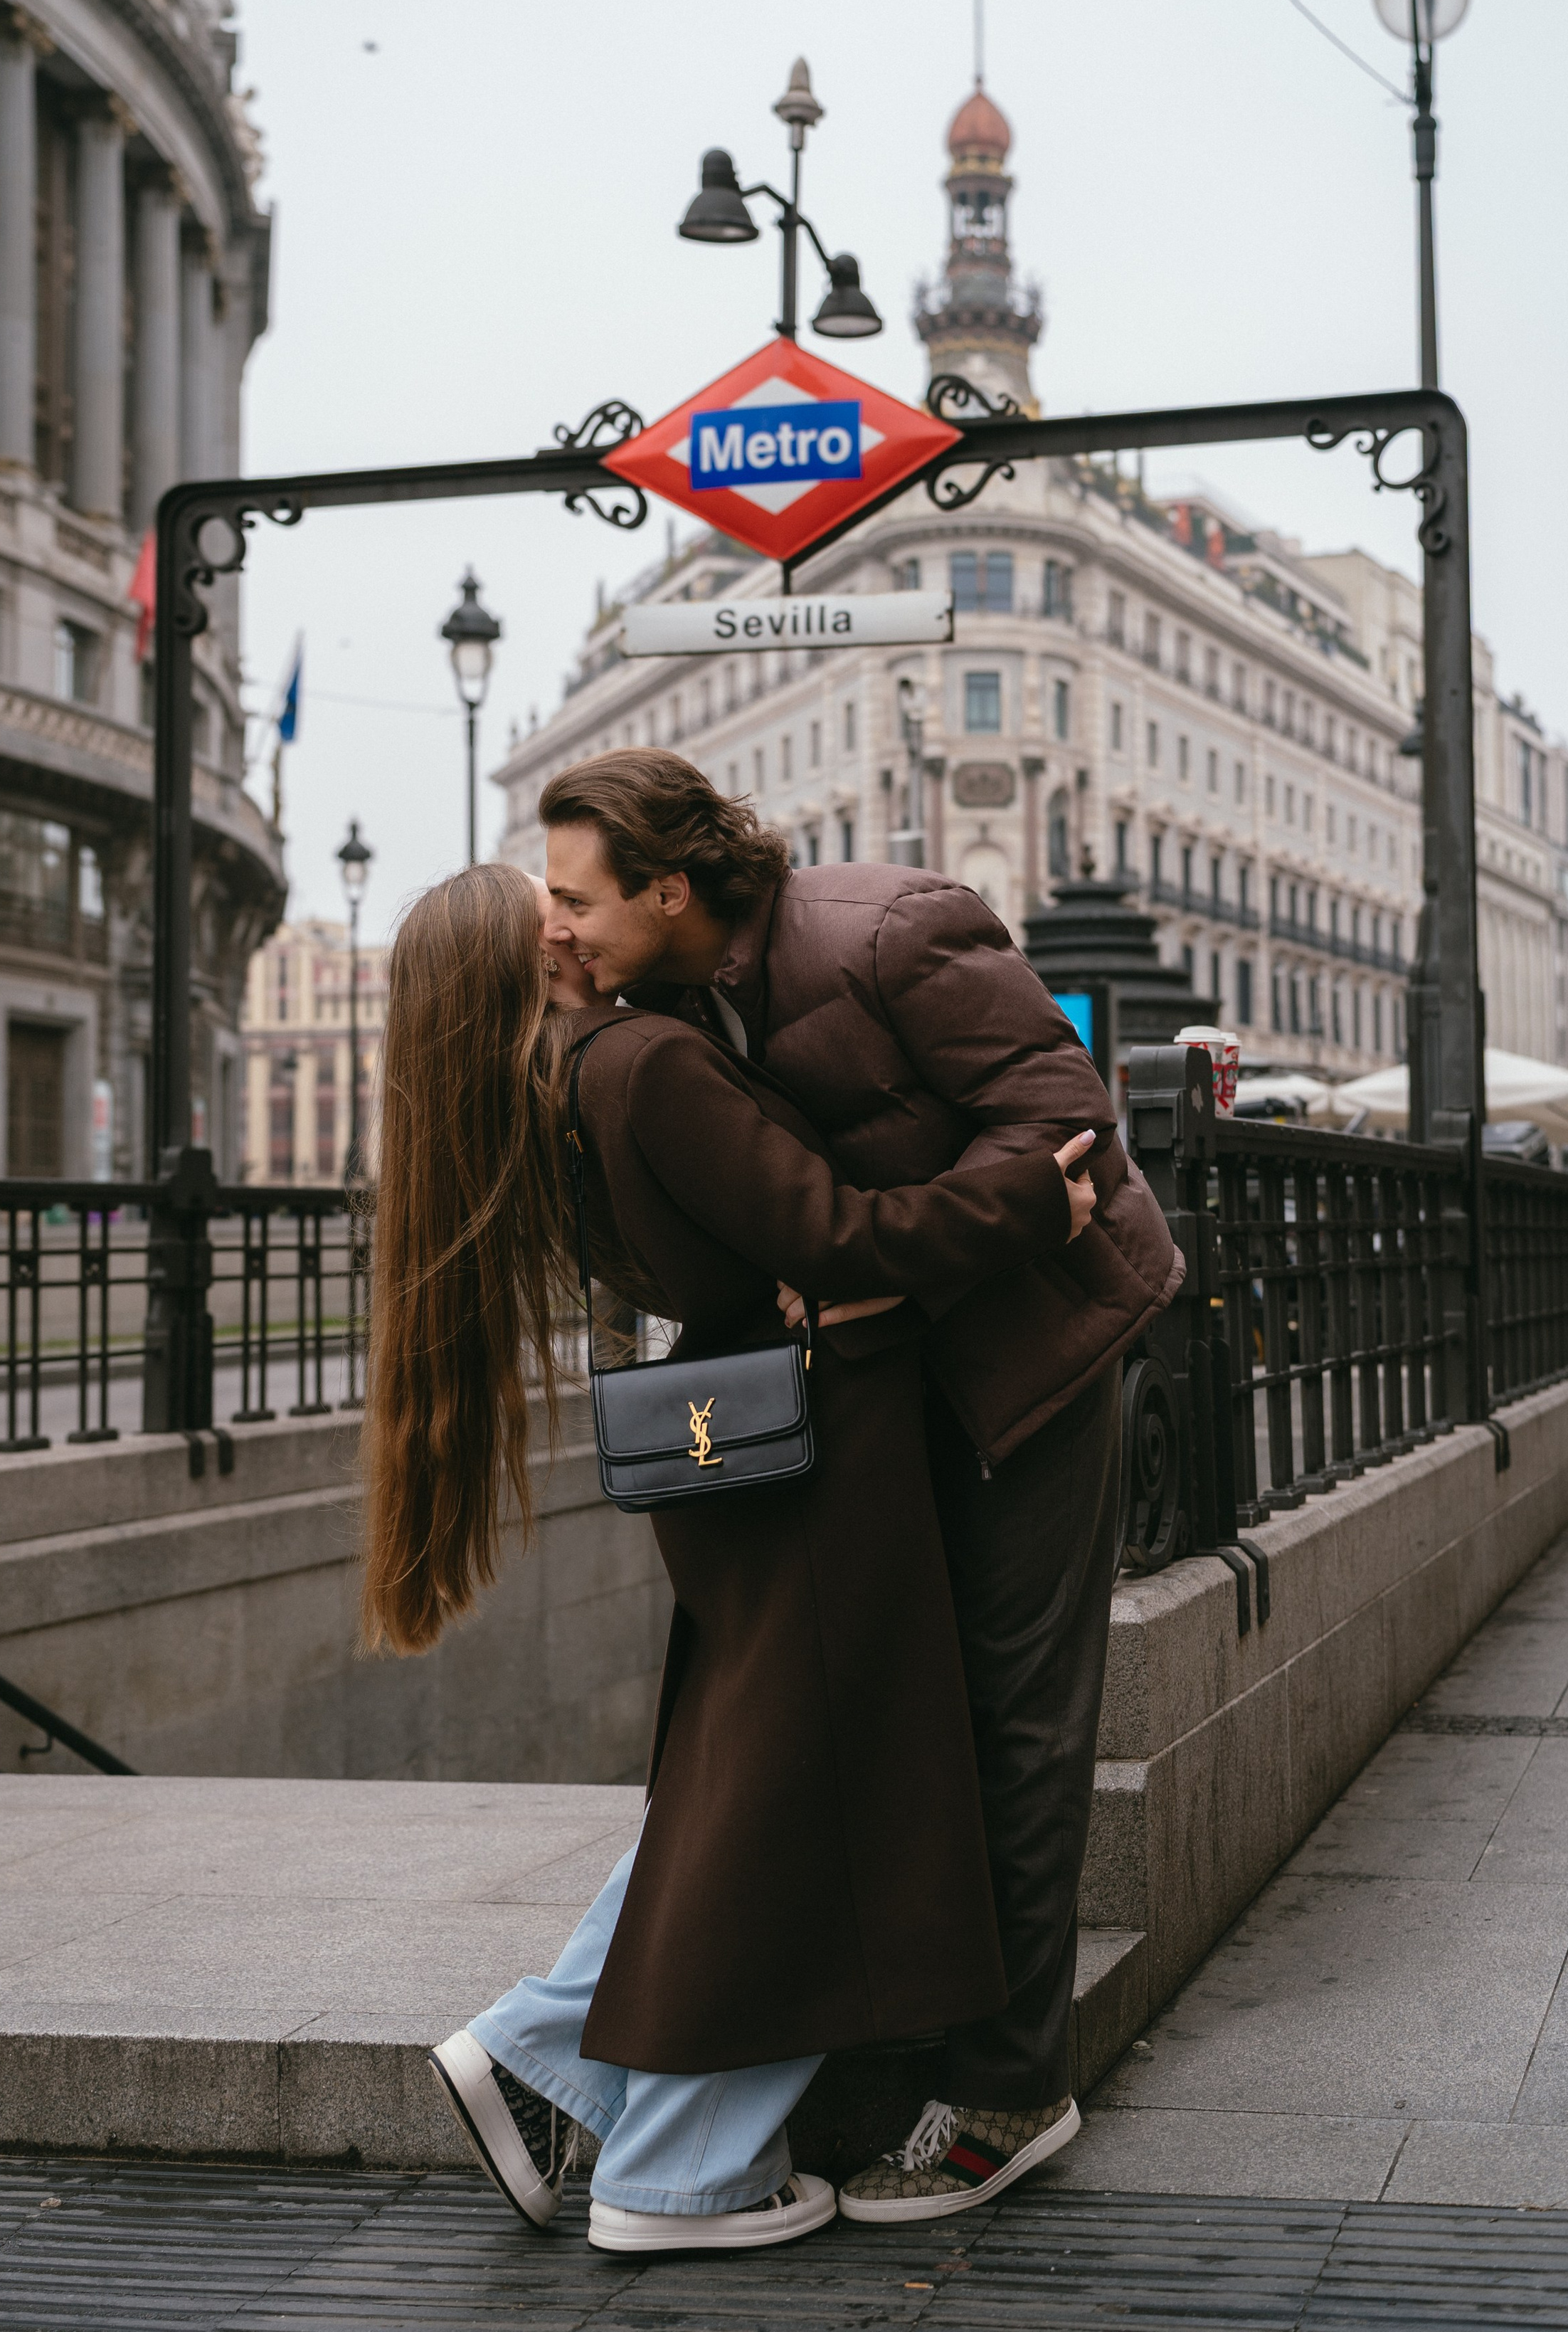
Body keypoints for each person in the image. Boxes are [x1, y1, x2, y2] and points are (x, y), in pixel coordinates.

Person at [362, 862, 1100, 2254]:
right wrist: (1024, 1209)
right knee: (789, 1795)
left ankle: (546, 2047)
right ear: (540, 968)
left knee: (738, 1776)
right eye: (558, 918)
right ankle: (676, 2166)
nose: (589, 925)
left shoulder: (542, 1106)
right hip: (814, 1447)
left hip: (725, 1450)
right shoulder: (643, 1065)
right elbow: (829, 1231)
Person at [538, 749, 1183, 2223]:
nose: (556, 925)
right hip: (876, 1388)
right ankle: (882, 2052)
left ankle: (1011, 2084)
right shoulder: (661, 1005)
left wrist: (864, 1263)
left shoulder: (891, 929)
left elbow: (1069, 1136)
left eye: (577, 898)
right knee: (905, 1715)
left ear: (668, 885)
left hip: (1032, 1355)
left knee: (1015, 1719)